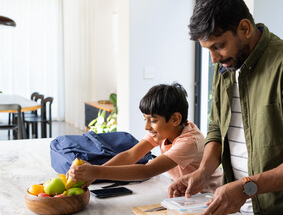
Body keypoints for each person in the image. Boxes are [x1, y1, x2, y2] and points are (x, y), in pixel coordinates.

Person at [168, 0, 283, 215]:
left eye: (218, 46)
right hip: (235, 211)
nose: (213, 59)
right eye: (207, 49)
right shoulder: (226, 67)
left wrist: (247, 187)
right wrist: (204, 170)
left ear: (245, 28)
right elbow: (217, 125)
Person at [68, 83, 222, 193]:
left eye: (153, 120)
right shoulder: (165, 131)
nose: (147, 127)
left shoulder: (189, 142)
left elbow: (147, 171)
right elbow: (131, 155)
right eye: (145, 119)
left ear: (175, 119)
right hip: (185, 189)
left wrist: (95, 171)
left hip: (208, 194)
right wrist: (96, 174)